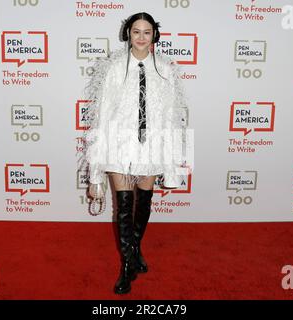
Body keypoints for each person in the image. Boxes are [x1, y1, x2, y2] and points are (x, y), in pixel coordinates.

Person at [80, 12, 189, 294]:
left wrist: (173, 163)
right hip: (119, 146)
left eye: (147, 32)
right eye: (136, 31)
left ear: (155, 36)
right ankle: (127, 265)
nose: (141, 37)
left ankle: (136, 250)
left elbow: (172, 118)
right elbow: (102, 117)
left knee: (144, 204)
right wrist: (95, 173)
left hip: (151, 148)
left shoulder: (166, 69)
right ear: (128, 33)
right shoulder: (113, 68)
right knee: (124, 207)